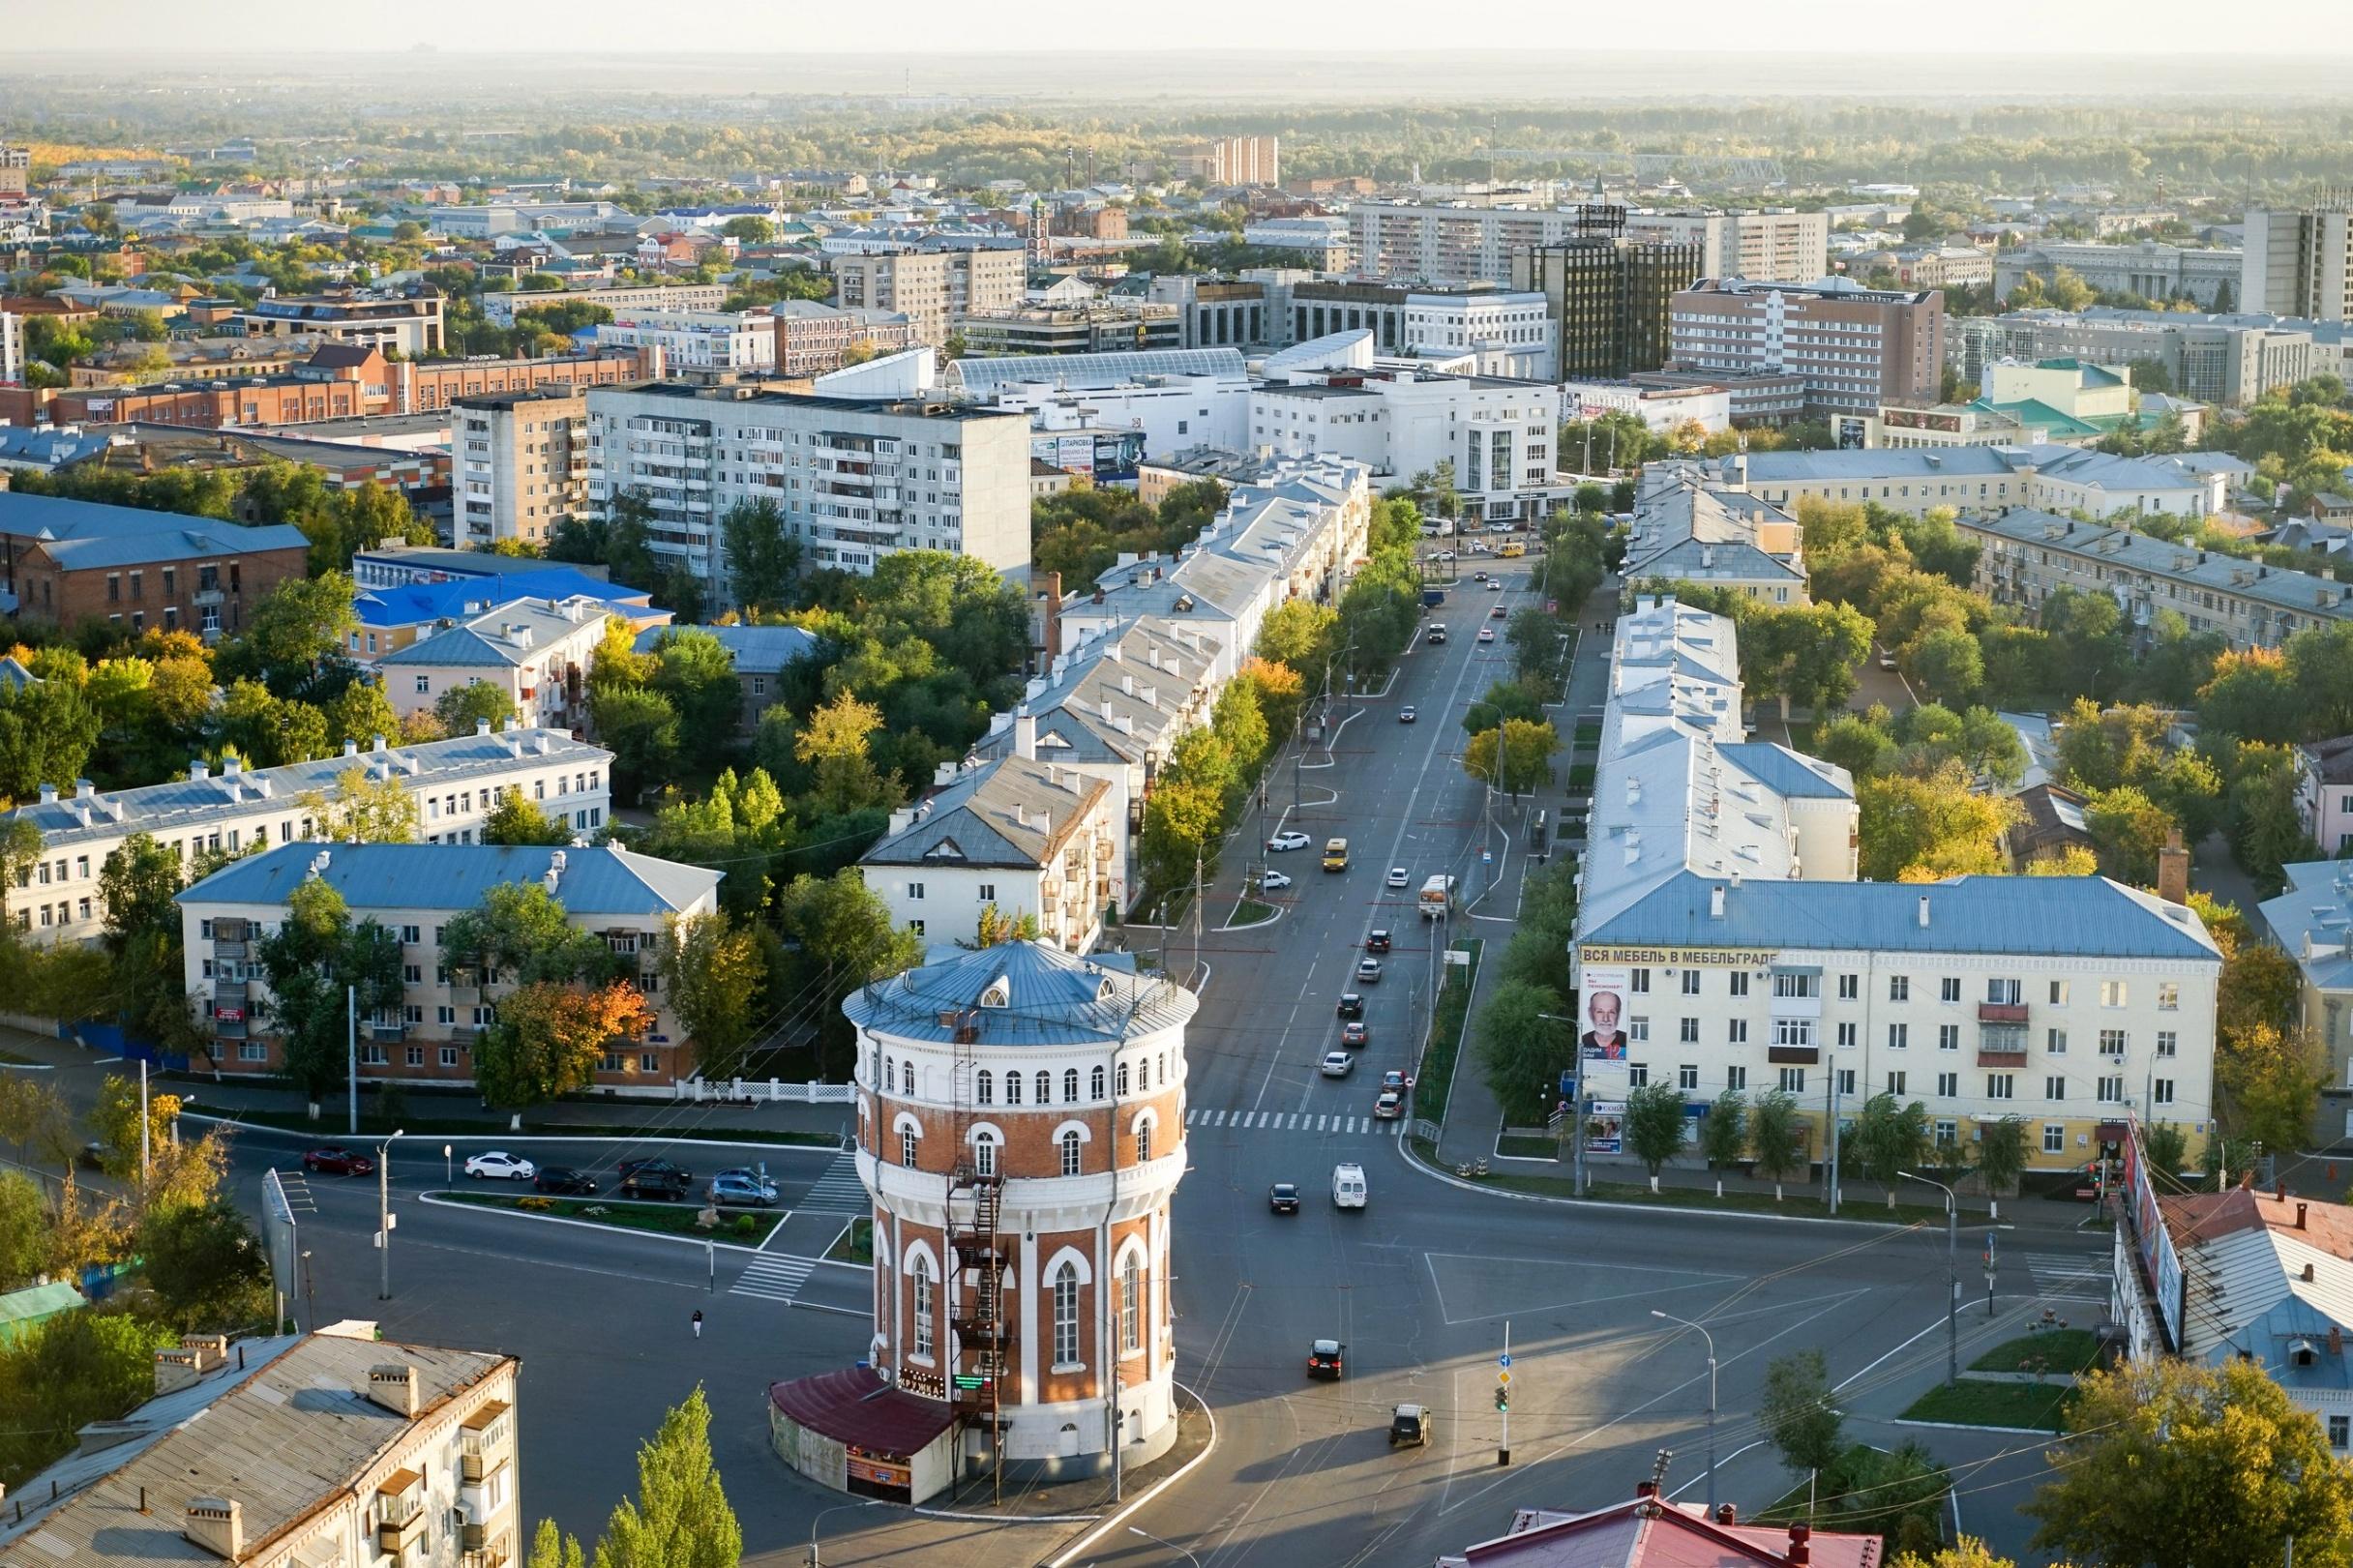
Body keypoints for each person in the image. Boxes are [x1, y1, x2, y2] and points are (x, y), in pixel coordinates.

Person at [1580, 988, 1627, 1059]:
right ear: (1590, 1013)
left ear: (1618, 1014)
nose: (1605, 1019)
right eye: (1600, 1012)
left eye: (1611, 1012)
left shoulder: (1628, 1041)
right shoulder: (1582, 1041)